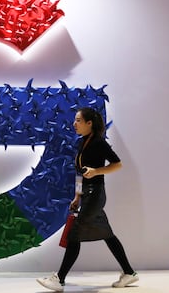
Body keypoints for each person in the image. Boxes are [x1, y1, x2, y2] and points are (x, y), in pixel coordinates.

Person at [36, 107, 139, 291]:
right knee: (108, 235)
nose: (74, 124)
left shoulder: (99, 142)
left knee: (74, 234)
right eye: (75, 120)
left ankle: (59, 279)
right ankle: (129, 273)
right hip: (88, 194)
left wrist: (97, 171)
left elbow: (117, 164)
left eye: (78, 120)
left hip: (96, 194)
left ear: (89, 123)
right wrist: (77, 196)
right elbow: (79, 172)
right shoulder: (82, 143)